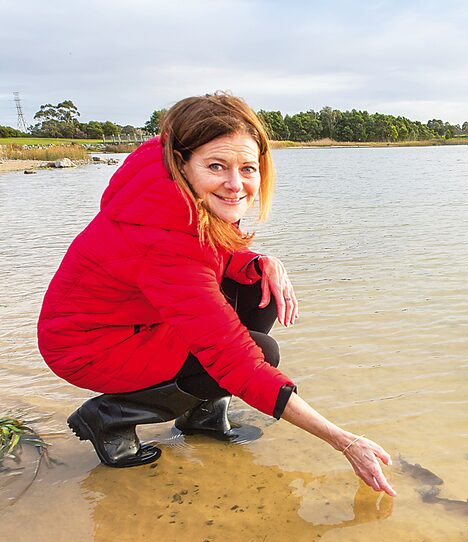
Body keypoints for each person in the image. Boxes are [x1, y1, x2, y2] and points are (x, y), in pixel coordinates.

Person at [37, 93, 395, 496]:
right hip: (90, 347)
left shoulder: (170, 188)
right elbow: (234, 359)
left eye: (247, 168)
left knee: (258, 285)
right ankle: (110, 415)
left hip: (135, 319)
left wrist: (259, 262)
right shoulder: (162, 241)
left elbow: (213, 251)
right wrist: (343, 440)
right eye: (216, 167)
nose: (236, 184)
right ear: (181, 162)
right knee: (260, 353)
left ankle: (202, 416)